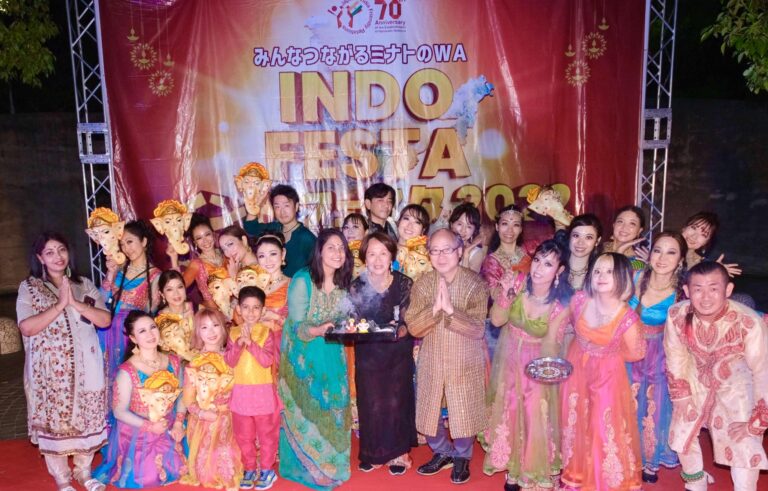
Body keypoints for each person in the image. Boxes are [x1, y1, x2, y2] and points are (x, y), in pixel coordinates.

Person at [16, 232, 111, 491]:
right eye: (49, 252)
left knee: (88, 416)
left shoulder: (84, 283)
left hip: (88, 364)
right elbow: (26, 327)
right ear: (40, 258)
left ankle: (84, 473)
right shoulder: (30, 287)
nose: (57, 256)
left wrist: (76, 304)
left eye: (61, 249)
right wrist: (59, 305)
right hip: (51, 371)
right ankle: (61, 478)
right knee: (54, 421)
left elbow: (105, 320)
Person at [664, 261, 768, 491]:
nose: (706, 296)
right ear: (687, 291)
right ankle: (696, 483)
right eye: (698, 288)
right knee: (682, 433)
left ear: (728, 290)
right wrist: (680, 394)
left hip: (739, 384)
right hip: (694, 377)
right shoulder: (677, 314)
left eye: (714, 288)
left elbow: (762, 371)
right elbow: (676, 355)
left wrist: (758, 420)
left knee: (743, 443)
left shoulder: (749, 322)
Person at [482, 239, 572, 490]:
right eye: (537, 260)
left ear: (560, 270)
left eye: (548, 264)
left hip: (539, 364)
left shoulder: (561, 304)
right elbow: (497, 321)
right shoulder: (519, 283)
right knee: (509, 411)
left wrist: (537, 377)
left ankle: (530, 472)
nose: (539, 268)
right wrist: (506, 296)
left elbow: (552, 346)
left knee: (534, 415)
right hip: (509, 358)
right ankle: (512, 470)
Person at [406, 228, 489, 485]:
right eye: (435, 250)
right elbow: (412, 327)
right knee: (428, 412)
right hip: (431, 357)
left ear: (460, 251)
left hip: (464, 358)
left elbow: (478, 329)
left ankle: (463, 455)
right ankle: (443, 451)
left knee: (464, 409)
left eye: (447, 250)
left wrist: (451, 311)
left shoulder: (475, 284)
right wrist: (434, 310)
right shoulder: (422, 284)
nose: (441, 256)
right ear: (428, 254)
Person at [559, 252, 646, 490]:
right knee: (575, 419)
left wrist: (607, 353)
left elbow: (637, 352)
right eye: (597, 270)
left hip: (607, 373)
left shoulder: (627, 317)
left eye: (609, 271)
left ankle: (601, 482)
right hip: (577, 366)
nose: (601, 276)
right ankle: (575, 475)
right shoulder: (579, 300)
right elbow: (563, 326)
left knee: (602, 426)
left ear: (622, 277)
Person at [278, 229, 355, 489]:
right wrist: (320, 330)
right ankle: (311, 468)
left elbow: (342, 317)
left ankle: (332, 464)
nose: (337, 253)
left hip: (332, 351)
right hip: (303, 354)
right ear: (319, 250)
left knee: (335, 405)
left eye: (341, 248)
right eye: (331, 247)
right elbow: (297, 325)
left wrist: (348, 325)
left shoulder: (344, 281)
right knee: (310, 408)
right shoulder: (303, 280)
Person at [349, 232, 417, 475]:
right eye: (372, 254)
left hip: (397, 352)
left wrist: (401, 328)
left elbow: (410, 319)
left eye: (383, 253)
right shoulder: (356, 286)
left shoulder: (404, 283)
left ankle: (398, 453)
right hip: (368, 353)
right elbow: (352, 319)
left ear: (391, 257)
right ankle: (372, 452)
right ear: (364, 258)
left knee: (396, 401)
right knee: (371, 402)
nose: (377, 260)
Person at [94, 311, 186, 487]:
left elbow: (181, 395)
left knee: (186, 466)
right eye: (142, 331)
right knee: (149, 476)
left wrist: (178, 424)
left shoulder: (173, 361)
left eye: (152, 327)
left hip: (169, 424)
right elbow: (119, 411)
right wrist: (150, 426)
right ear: (133, 338)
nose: (151, 334)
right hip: (139, 430)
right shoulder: (127, 371)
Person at [627, 232, 687, 482]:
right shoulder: (635, 276)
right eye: (657, 250)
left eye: (671, 252)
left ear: (681, 260)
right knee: (626, 405)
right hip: (627, 352)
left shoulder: (682, 293)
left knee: (653, 408)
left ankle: (650, 461)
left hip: (659, 358)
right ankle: (627, 453)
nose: (662, 257)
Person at [100, 220, 162, 417]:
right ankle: (111, 424)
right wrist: (110, 273)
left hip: (132, 335)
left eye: (130, 242)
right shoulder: (119, 269)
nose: (126, 248)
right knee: (108, 377)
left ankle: (133, 421)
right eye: (122, 244)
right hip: (109, 330)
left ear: (143, 242)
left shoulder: (155, 275)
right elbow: (102, 299)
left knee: (129, 379)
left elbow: (151, 310)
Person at [225, 286, 280, 490]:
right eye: (246, 307)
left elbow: (267, 361)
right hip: (241, 394)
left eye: (256, 308)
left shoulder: (267, 332)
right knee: (243, 435)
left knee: (267, 434)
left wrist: (250, 344)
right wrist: (239, 343)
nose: (250, 312)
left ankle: (266, 469)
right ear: (238, 308)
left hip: (263, 392)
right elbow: (229, 361)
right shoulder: (232, 332)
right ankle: (249, 468)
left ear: (262, 310)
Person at [181, 309, 243, 491]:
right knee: (215, 466)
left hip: (233, 417)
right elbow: (188, 401)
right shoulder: (194, 364)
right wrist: (203, 413)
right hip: (206, 422)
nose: (211, 331)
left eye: (216, 325)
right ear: (198, 333)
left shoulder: (232, 357)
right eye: (205, 327)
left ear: (223, 329)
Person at [480, 205, 532, 359]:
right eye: (505, 224)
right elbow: (495, 296)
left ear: (521, 229)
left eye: (515, 225)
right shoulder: (491, 262)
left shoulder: (529, 254)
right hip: (504, 327)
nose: (510, 230)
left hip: (530, 322)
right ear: (496, 226)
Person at [243, 184, 317, 277]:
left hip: (296, 288)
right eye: (277, 207)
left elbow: (318, 269)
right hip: (272, 287)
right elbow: (250, 227)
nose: (282, 212)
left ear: (296, 206)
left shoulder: (306, 238)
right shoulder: (273, 229)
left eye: (286, 205)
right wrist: (258, 204)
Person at [171, 213, 223, 311]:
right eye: (199, 238)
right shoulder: (197, 264)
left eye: (207, 234)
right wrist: (174, 259)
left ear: (213, 234)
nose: (205, 241)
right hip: (214, 316)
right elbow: (177, 286)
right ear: (195, 242)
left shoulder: (226, 255)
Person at [563, 214, 603, 290]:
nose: (580, 242)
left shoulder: (599, 271)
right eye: (576, 235)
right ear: (569, 236)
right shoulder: (554, 264)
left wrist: (621, 250)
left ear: (597, 241)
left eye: (588, 237)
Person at [393, 203, 432, 280]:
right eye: (406, 219)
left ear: (423, 230)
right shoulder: (385, 247)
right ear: (398, 222)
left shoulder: (425, 256)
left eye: (417, 222)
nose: (410, 225)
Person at [449, 202, 486, 272]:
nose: (463, 230)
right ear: (451, 224)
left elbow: (468, 281)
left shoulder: (476, 253)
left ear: (474, 230)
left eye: (469, 227)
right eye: (459, 224)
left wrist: (466, 254)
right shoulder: (441, 247)